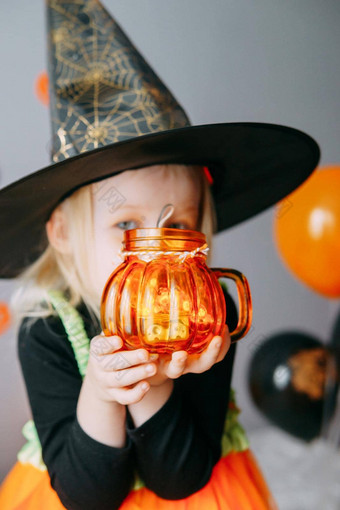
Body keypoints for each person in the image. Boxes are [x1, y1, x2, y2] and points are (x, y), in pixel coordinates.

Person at [0, 1, 320, 509]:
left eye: (177, 226)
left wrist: (151, 384)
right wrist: (106, 393)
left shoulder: (209, 313)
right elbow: (87, 498)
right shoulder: (46, 327)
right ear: (62, 232)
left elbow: (182, 479)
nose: (156, 250)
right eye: (126, 224)